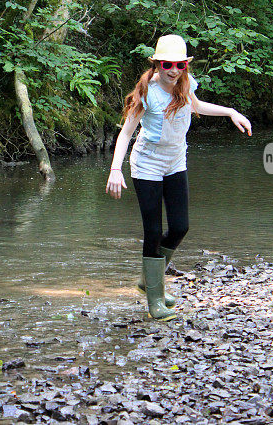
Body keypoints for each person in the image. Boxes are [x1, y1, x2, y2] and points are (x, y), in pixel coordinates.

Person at [105, 34, 252, 321]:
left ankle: (148, 281)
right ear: (157, 64)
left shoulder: (185, 84)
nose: (174, 71)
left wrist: (230, 112)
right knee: (153, 231)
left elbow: (195, 106)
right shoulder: (146, 93)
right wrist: (114, 169)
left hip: (175, 162)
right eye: (168, 64)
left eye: (180, 65)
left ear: (186, 65)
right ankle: (155, 300)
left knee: (181, 227)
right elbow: (125, 134)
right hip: (147, 165)